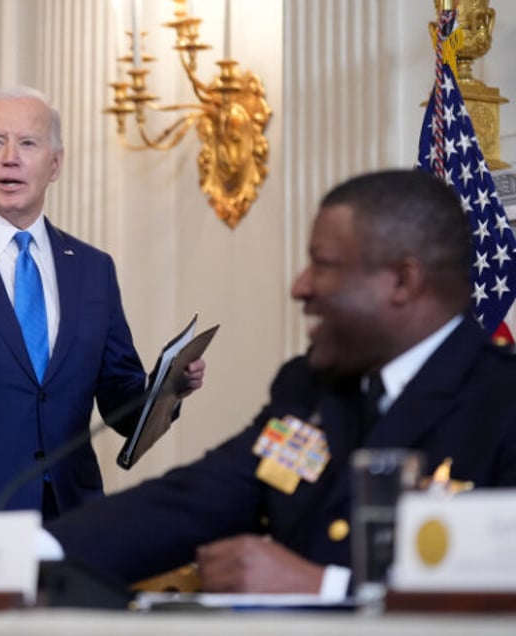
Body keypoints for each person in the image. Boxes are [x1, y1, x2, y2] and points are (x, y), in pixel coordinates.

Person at [45, 169, 516, 598]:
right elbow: (192, 502)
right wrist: (23, 553)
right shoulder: (310, 390)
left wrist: (329, 588)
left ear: (402, 280)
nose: (300, 287)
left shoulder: (500, 401)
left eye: (323, 264)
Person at [0, 86, 205, 519]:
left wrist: (167, 389)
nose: (11, 157)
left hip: (69, 510)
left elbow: (121, 404)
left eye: (28, 143)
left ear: (55, 164)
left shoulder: (92, 268)